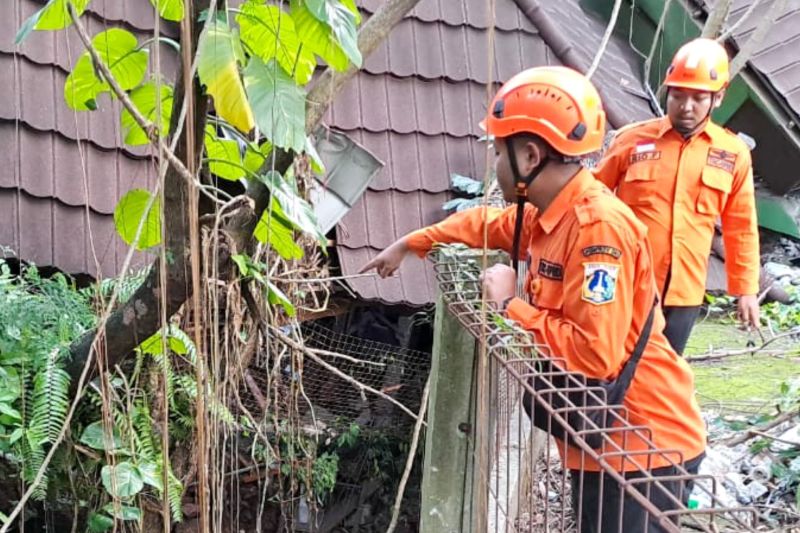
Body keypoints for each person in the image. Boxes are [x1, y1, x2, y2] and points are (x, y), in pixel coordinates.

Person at [360, 66, 706, 532]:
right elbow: (489, 224)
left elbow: (594, 355)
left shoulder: (596, 230)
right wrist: (414, 241)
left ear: (529, 155)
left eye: (498, 153)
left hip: (642, 443)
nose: (495, 166)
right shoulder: (551, 215)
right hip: (601, 435)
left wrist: (511, 304)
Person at [593, 38, 760, 355]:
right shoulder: (630, 141)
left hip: (684, 294)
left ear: (718, 98)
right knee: (614, 371)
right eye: (678, 95)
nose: (686, 106)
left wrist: (746, 290)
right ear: (667, 92)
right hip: (628, 284)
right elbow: (592, 199)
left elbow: (741, 227)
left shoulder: (732, 154)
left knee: (663, 376)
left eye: (698, 98)